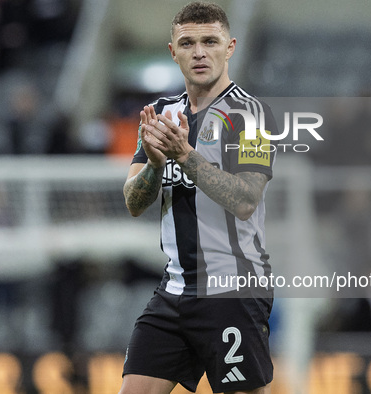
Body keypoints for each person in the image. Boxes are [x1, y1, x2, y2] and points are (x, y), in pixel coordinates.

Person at [120, 2, 276, 393]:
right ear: (173, 51)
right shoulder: (161, 115)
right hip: (173, 292)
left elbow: (245, 201)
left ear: (230, 47)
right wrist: (156, 166)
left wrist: (185, 156)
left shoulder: (251, 116)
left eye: (210, 41)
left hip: (232, 291)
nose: (199, 52)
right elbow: (134, 203)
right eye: (188, 43)